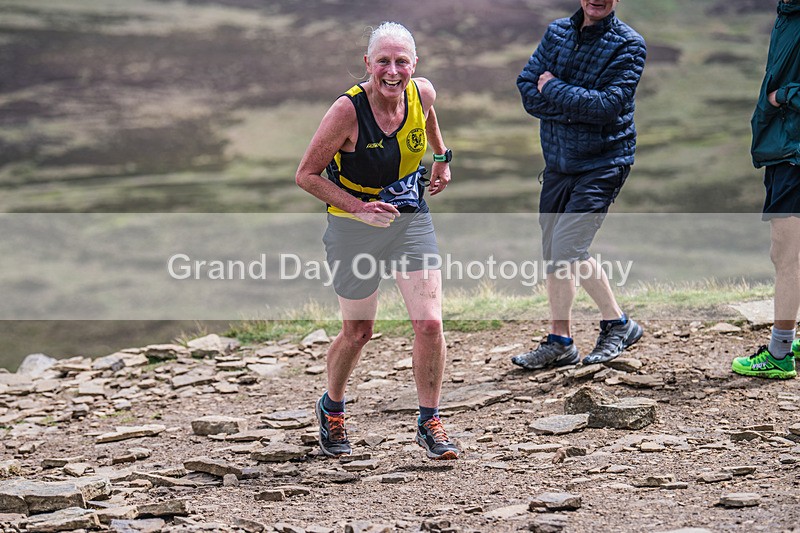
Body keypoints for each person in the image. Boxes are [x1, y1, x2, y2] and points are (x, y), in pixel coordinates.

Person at [295, 22, 459, 459]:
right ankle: (331, 408)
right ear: (367, 64)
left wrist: (441, 157)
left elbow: (429, 116)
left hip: (409, 219)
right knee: (358, 331)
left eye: (401, 61)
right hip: (353, 229)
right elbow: (306, 175)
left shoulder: (421, 92)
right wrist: (358, 208)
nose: (392, 70)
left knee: (429, 323)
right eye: (382, 61)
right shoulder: (346, 112)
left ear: (414, 65)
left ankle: (430, 421)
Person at [511, 0, 647, 371]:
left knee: (569, 245)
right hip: (558, 163)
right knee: (554, 251)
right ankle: (560, 341)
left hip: (604, 163)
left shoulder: (629, 45)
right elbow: (526, 87)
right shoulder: (557, 32)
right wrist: (573, 106)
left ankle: (618, 324)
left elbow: (605, 107)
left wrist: (552, 87)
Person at [731, 0, 800, 380]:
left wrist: (783, 96)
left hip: (793, 149)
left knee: (785, 254)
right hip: (785, 146)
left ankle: (779, 351)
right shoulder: (787, 14)